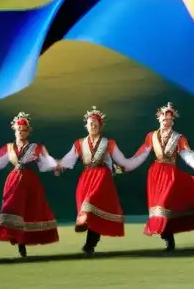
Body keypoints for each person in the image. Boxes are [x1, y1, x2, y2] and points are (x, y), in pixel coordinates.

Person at [122, 102, 194, 251]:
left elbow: (188, 156)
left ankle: (168, 234)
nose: (166, 118)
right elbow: (141, 155)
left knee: (165, 204)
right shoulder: (151, 136)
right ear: (158, 118)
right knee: (159, 208)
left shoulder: (179, 138)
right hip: (155, 175)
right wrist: (126, 166)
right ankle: (167, 237)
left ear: (172, 120)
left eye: (169, 116)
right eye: (163, 116)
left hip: (170, 174)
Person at [0, 112, 61, 257]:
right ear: (14, 130)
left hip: (30, 183)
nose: (21, 132)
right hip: (14, 182)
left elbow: (47, 161)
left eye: (24, 130)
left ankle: (23, 241)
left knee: (29, 211)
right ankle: (17, 239)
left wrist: (55, 167)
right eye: (18, 130)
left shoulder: (35, 147)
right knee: (13, 209)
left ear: (28, 131)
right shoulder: (8, 148)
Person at [55, 106, 136, 257]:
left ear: (100, 126)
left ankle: (88, 240)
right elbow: (69, 159)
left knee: (90, 203)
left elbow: (120, 160)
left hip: (102, 179)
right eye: (90, 124)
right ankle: (90, 246)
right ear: (86, 125)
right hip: (86, 178)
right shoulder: (79, 143)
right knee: (93, 214)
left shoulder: (108, 143)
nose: (93, 126)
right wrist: (60, 167)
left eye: (95, 124)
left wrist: (126, 166)